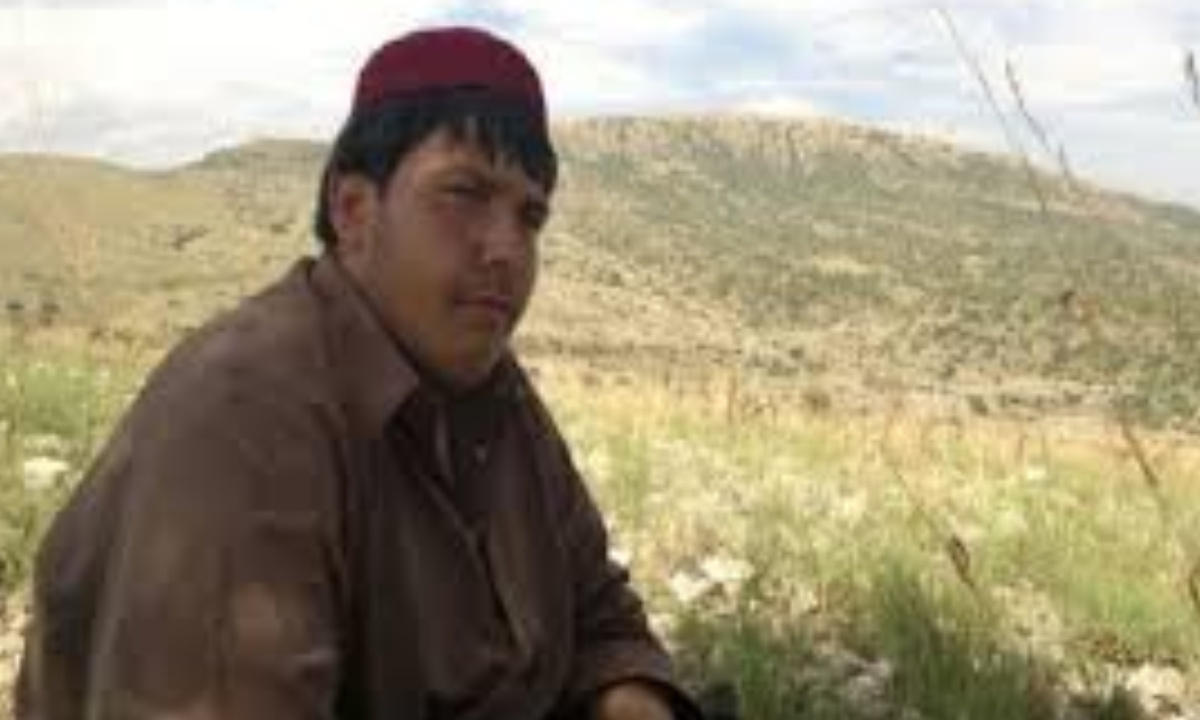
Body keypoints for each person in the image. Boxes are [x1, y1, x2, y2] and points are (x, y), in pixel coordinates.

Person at [13, 26, 702, 720]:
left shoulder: (493, 391)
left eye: (530, 217)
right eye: (464, 193)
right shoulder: (246, 417)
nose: (506, 248)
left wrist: (630, 698)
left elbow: (600, 616)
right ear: (353, 211)